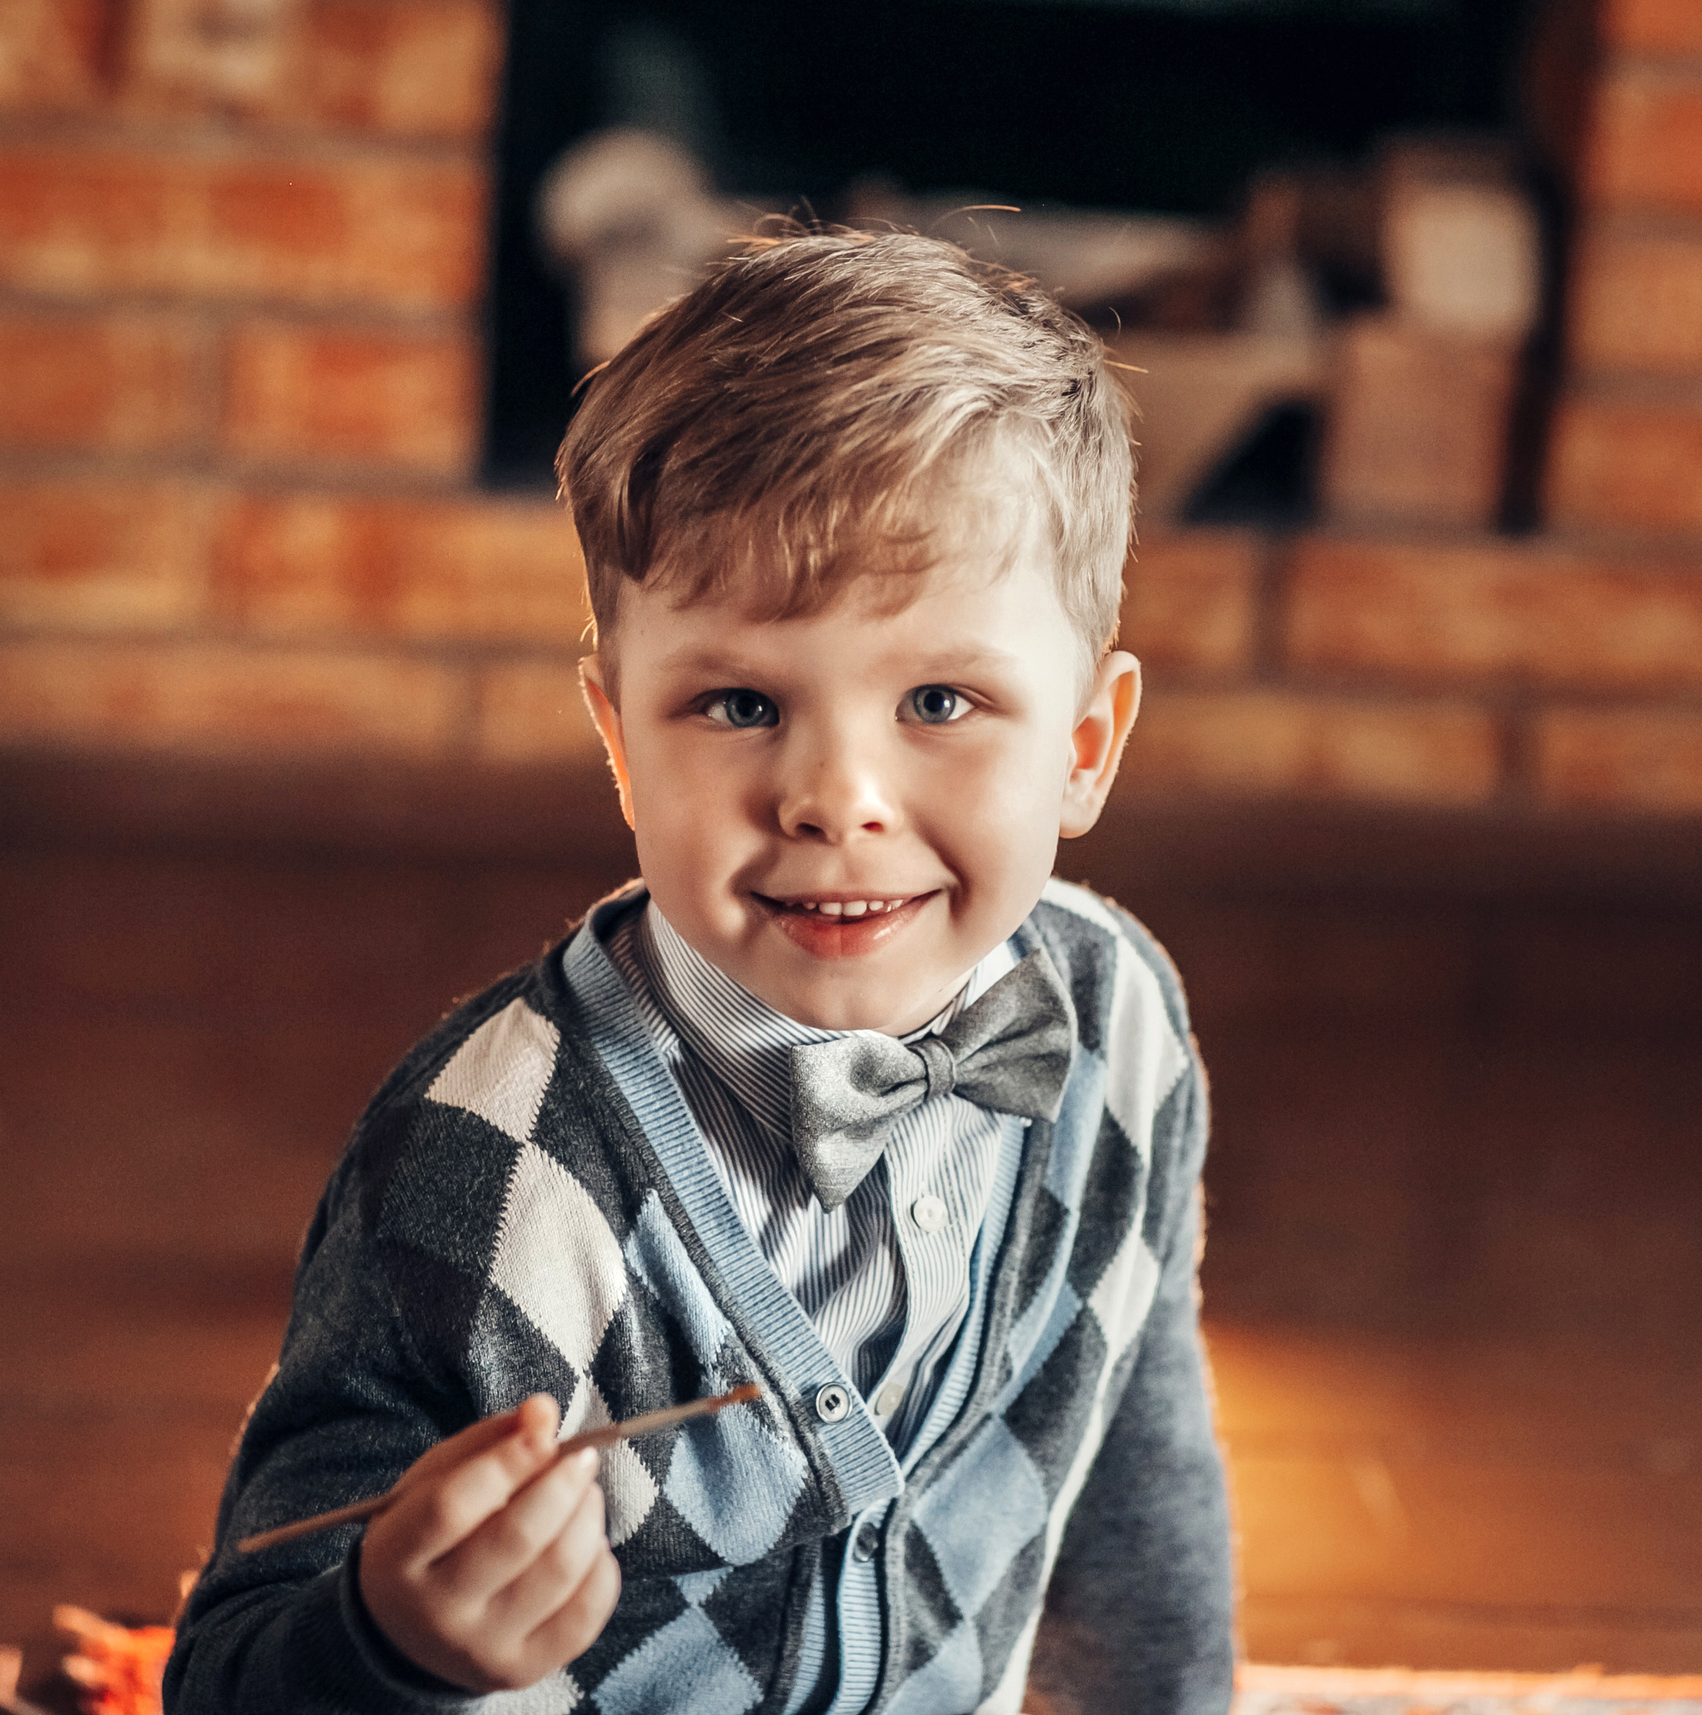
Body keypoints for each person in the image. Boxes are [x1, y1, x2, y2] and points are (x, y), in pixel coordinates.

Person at [166, 228, 1234, 1715]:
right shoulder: (494, 1171)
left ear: (1084, 747)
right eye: (738, 701)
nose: (833, 795)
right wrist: (386, 1639)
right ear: (619, 739)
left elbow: (1137, 1446)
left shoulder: (1119, 1023)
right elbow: (229, 1673)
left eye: (941, 699)